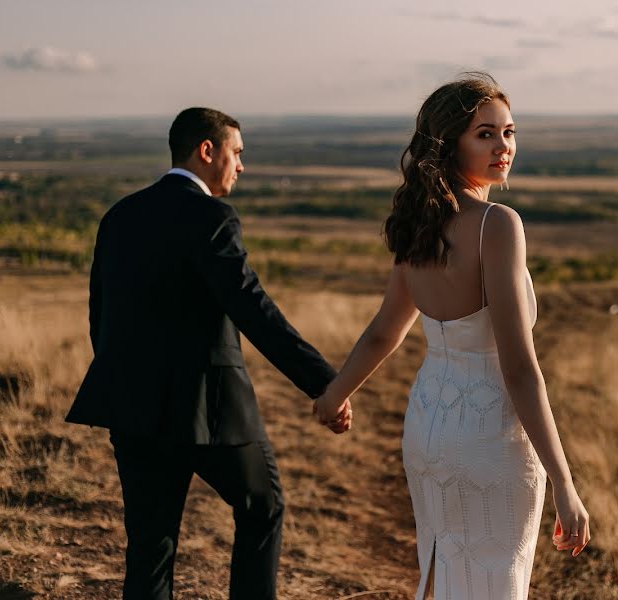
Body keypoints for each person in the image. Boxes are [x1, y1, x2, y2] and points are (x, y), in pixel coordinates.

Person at [314, 73, 590, 599]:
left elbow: (383, 331)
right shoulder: (497, 224)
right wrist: (564, 481)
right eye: (485, 134)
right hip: (489, 434)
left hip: (429, 426)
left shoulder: (417, 220)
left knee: (441, 573)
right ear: (449, 142)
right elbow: (518, 369)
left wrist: (335, 394)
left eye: (508, 132)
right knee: (493, 582)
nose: (503, 147)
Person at [65, 107, 351, 600]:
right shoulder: (210, 216)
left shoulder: (119, 215)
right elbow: (253, 309)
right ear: (207, 150)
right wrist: (326, 383)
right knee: (263, 508)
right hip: (209, 409)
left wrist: (128, 382)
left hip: (131, 408)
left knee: (150, 548)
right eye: (236, 153)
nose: (241, 165)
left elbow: (100, 315)